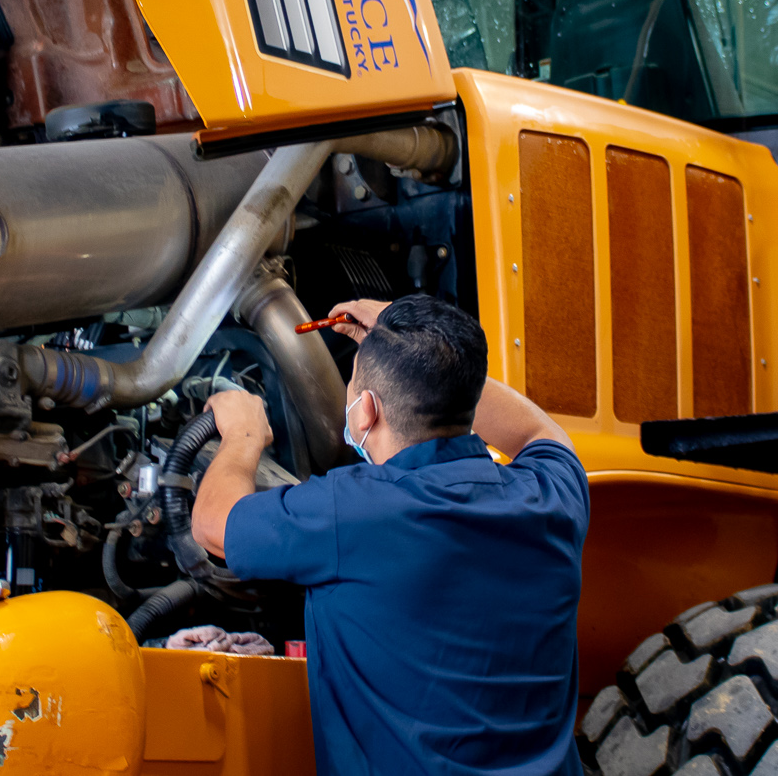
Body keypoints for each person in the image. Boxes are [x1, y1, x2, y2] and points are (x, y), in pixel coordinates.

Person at [192, 295, 589, 776]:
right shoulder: (552, 497)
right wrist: (432, 356)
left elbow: (214, 524)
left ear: (365, 412)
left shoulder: (349, 512)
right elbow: (535, 430)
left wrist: (244, 436)